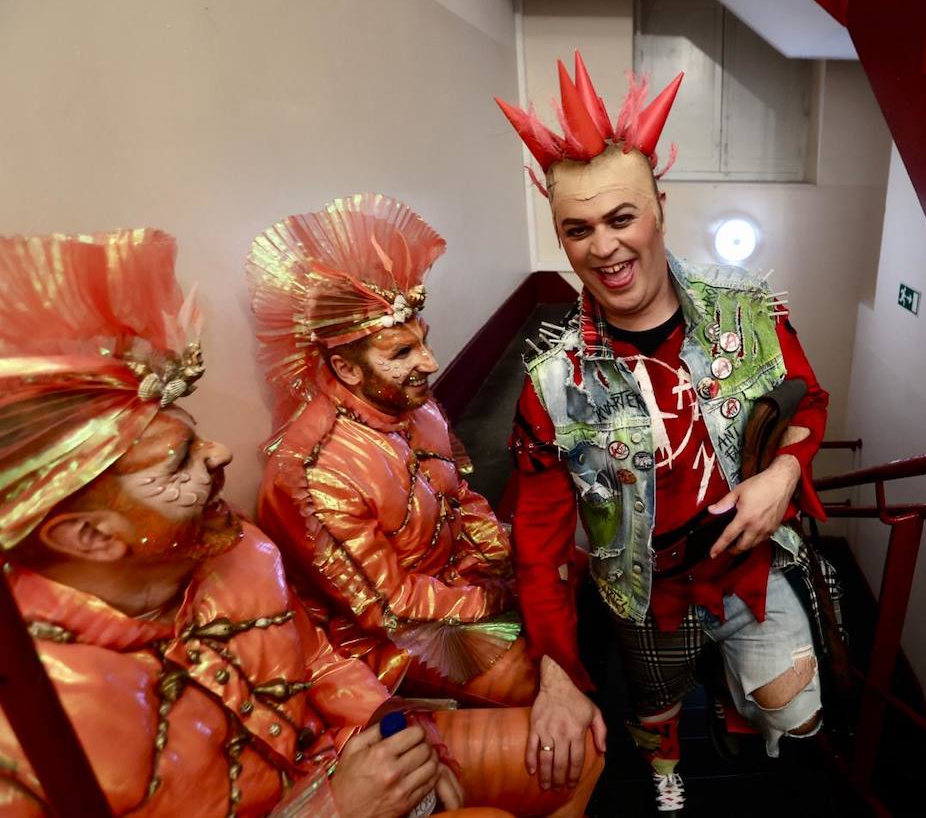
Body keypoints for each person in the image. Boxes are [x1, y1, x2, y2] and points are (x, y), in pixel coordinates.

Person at [0, 229, 463, 817]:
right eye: (179, 462)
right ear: (88, 536)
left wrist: (389, 732)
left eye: (197, 438)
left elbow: (317, 659)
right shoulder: (29, 728)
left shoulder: (238, 545)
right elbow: (387, 604)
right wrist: (332, 809)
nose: (220, 454)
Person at [497, 53, 832, 812]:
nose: (605, 248)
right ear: (560, 236)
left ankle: (740, 716)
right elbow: (539, 542)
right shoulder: (552, 383)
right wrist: (557, 661)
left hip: (748, 571)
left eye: (621, 218)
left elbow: (807, 402)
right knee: (654, 706)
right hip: (642, 594)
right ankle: (663, 772)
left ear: (660, 208)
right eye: (577, 230)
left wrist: (782, 477)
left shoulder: (749, 309)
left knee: (796, 711)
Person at [248, 195, 536, 707]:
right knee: (527, 675)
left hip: (461, 579)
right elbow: (387, 606)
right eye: (402, 353)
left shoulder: (414, 406)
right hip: (392, 636)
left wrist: (505, 562)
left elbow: (460, 495)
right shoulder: (316, 474)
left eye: (423, 341)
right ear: (346, 370)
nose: (430, 362)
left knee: (567, 573)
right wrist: (491, 599)